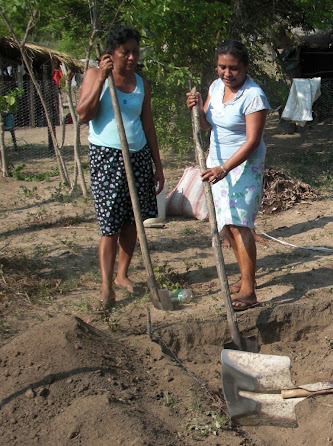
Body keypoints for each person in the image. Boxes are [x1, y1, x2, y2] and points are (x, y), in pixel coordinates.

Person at [76, 26, 165, 309]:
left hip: (137, 157)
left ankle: (122, 275)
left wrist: (157, 165)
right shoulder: (94, 76)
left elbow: (148, 125)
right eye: (124, 52)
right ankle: (106, 286)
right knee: (109, 225)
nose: (130, 57)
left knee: (133, 221)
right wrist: (102, 78)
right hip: (107, 157)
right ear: (110, 54)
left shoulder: (141, 84)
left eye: (134, 52)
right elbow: (82, 115)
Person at [186, 40, 270, 310]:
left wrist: (226, 168)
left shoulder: (253, 96)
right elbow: (207, 124)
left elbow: (252, 141)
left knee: (240, 225)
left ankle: (249, 290)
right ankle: (245, 279)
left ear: (245, 67)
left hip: (243, 166)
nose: (227, 73)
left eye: (233, 68)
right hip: (216, 164)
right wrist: (197, 108)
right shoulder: (215, 86)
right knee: (227, 225)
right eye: (222, 67)